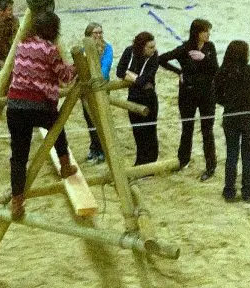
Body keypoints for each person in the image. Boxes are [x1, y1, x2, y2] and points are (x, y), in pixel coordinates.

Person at [6, 11, 78, 220]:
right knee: (58, 128)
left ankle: (17, 201)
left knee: (18, 156)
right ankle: (65, 165)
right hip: (39, 106)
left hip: (15, 106)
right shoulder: (50, 49)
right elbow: (65, 77)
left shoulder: (22, 45)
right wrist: (77, 67)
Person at [159, 19, 218, 181]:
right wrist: (179, 72)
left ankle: (210, 166)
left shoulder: (210, 47)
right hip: (188, 94)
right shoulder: (185, 48)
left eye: (208, 31)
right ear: (197, 33)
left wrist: (204, 58)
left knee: (207, 130)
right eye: (205, 31)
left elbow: (215, 69)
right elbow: (161, 59)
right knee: (187, 128)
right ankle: (183, 160)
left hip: (207, 94)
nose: (208, 34)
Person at [214, 40, 250, 203]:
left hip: (231, 117)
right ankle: (247, 190)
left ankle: (229, 190)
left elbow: (216, 95)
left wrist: (228, 104)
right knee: (248, 154)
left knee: (231, 154)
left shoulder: (222, 72)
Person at [116, 32, 160, 166]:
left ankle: (151, 163)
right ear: (141, 47)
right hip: (133, 97)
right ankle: (140, 162)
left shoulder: (154, 56)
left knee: (150, 132)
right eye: (150, 47)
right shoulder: (129, 51)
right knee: (137, 132)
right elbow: (119, 71)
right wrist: (136, 78)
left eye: (154, 46)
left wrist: (130, 75)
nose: (154, 49)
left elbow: (144, 79)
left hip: (148, 98)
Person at [82, 22, 113, 164]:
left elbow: (105, 68)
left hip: (100, 86)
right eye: (96, 33)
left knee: (102, 118)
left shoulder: (107, 48)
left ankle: (103, 149)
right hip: (87, 89)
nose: (99, 35)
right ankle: (94, 148)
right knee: (90, 119)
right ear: (89, 35)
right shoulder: (84, 50)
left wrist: (97, 81)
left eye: (100, 32)